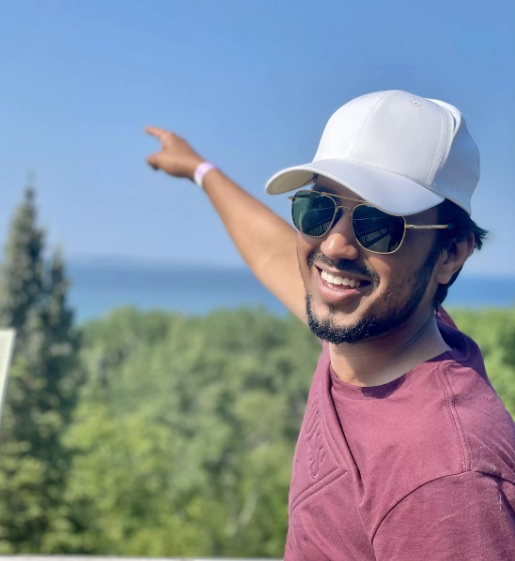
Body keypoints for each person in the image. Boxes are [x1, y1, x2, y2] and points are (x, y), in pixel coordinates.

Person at [145, 90, 515, 560]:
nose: (334, 245)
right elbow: (273, 253)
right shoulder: (369, 329)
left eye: (379, 224)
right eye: (318, 209)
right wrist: (198, 169)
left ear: (451, 253)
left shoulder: (447, 479)